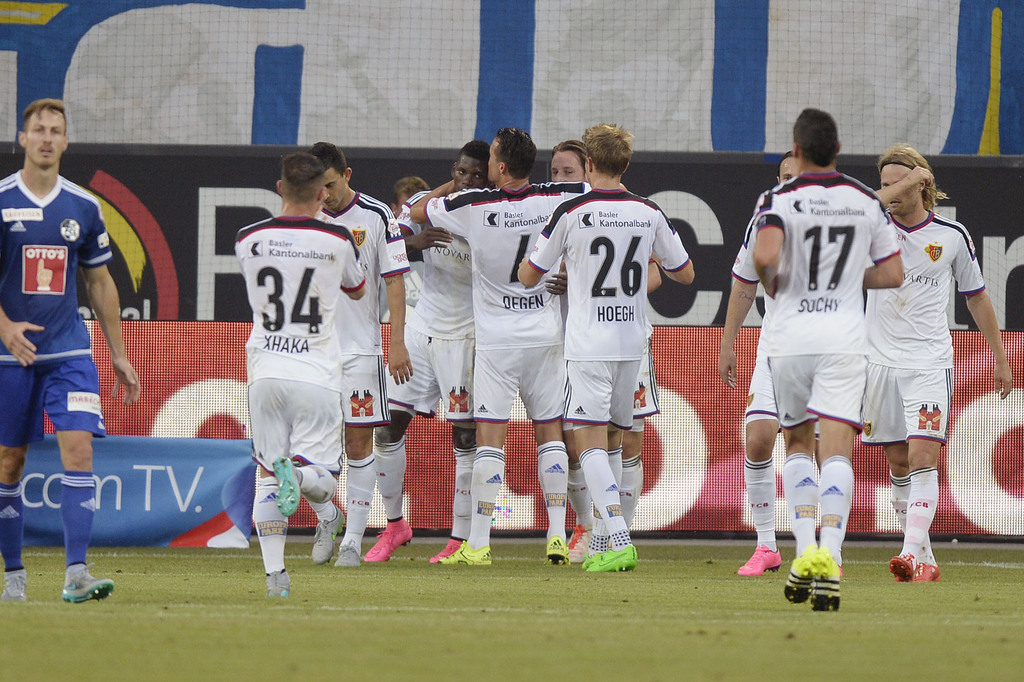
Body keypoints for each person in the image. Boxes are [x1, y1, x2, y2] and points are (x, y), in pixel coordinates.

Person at [519, 122, 694, 572]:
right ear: (626, 164)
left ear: (589, 165)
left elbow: (528, 275)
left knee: (589, 440)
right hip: (632, 343)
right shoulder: (648, 211)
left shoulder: (571, 211)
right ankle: (602, 542)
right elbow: (686, 274)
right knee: (616, 437)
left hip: (588, 343)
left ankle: (615, 536)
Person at [410, 127, 584, 565]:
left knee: (490, 441)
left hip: (496, 341)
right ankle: (558, 535)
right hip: (545, 336)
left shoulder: (471, 205)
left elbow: (416, 210)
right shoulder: (555, 197)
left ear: (500, 167)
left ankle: (480, 543)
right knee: (550, 435)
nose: (486, 163)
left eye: (490, 157)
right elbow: (602, 189)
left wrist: (453, 181)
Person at [752, 108, 903, 611]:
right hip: (843, 339)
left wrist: (779, 282)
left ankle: (803, 553)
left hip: (791, 339)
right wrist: (842, 282)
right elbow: (893, 272)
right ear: (838, 151)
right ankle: (832, 559)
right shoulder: (864, 200)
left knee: (796, 443)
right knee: (836, 450)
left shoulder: (778, 198)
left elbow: (764, 255)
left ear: (796, 151)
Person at [0, 98, 140, 603]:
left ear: (65, 142)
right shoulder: (1, 200)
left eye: (55, 131)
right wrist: (6, 325)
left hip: (69, 353)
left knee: (79, 451)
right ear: (22, 138)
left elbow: (99, 281)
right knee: (10, 464)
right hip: (9, 356)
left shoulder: (83, 206)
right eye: (38, 130)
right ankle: (14, 574)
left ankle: (76, 573)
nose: (46, 139)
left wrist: (118, 353)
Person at [865, 144, 1012, 583]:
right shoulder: (874, 227)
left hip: (929, 363)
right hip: (879, 363)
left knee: (923, 455)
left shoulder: (952, 236)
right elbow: (861, 206)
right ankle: (926, 559)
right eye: (886, 182)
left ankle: (909, 554)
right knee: (897, 463)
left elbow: (978, 298)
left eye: (897, 182)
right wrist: (905, 181)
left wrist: (1000, 357)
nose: (888, 190)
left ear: (921, 185)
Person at [237, 152, 366, 597]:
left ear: (278, 189)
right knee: (323, 478)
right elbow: (358, 287)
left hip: (266, 372)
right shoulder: (338, 238)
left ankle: (276, 576)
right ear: (321, 193)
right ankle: (304, 478)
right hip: (316, 373)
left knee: (267, 477)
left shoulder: (247, 239)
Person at [372, 140, 490, 563]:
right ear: (453, 171)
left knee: (465, 439)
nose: (469, 181)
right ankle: (394, 525)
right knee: (385, 429)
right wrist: (415, 242)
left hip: (467, 335)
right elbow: (390, 241)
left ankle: (459, 539)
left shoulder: (491, 218)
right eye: (462, 173)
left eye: (479, 175)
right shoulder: (433, 206)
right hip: (423, 328)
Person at [307, 142, 413, 568]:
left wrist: (398, 341)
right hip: (311, 353)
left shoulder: (376, 216)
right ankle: (326, 517)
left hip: (359, 351)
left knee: (358, 442)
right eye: (317, 185)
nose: (324, 193)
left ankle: (353, 538)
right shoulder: (303, 215)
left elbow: (395, 282)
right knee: (308, 448)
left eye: (330, 184)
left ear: (347, 175)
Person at [718, 151, 800, 576]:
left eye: (796, 176)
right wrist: (728, 343)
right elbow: (744, 285)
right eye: (783, 177)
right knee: (758, 438)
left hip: (825, 351)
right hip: (773, 347)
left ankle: (818, 549)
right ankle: (766, 545)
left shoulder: (836, 217)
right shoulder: (764, 222)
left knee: (818, 450)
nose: (789, 184)